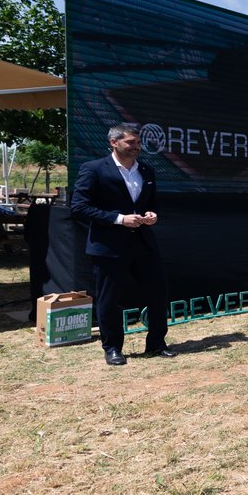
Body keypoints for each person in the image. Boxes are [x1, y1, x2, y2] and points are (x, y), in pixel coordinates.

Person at [70, 123, 172, 366]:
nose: (137, 147)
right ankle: (113, 347)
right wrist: (118, 219)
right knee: (109, 298)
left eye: (138, 143)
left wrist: (152, 215)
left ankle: (156, 344)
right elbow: (79, 207)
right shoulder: (93, 169)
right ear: (114, 142)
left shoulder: (146, 170)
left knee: (158, 293)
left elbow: (153, 202)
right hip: (109, 245)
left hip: (143, 243)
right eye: (131, 143)